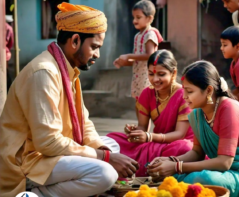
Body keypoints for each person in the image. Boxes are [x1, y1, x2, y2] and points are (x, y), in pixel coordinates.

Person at [0, 3, 139, 197]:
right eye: (94, 47)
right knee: (105, 173)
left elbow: (85, 123)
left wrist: (102, 150)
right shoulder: (44, 72)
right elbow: (47, 142)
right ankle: (34, 193)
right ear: (75, 41)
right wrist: (105, 158)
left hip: (51, 155)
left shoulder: (66, 69)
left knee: (113, 144)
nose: (97, 55)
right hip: (29, 163)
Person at [147, 60, 239, 197]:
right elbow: (197, 153)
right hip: (229, 172)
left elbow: (224, 163)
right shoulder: (197, 114)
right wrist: (170, 160)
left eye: (189, 91)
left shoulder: (229, 109)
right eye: (183, 90)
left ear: (209, 90)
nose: (184, 96)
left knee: (203, 180)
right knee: (172, 177)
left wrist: (177, 167)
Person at [108, 50, 194, 177]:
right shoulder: (147, 93)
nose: (155, 79)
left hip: (178, 143)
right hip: (156, 143)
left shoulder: (183, 94)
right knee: (112, 139)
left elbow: (180, 134)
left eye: (161, 74)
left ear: (174, 73)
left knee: (185, 148)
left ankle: (144, 166)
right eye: (150, 74)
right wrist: (136, 133)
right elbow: (143, 126)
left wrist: (149, 137)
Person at [113, 0, 163, 110]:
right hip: (138, 77)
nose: (134, 20)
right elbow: (138, 59)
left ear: (149, 18)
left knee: (146, 106)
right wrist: (124, 62)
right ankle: (141, 126)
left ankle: (144, 126)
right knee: (139, 104)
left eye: (138, 17)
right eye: (134, 17)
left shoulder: (150, 34)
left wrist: (129, 56)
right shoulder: (137, 36)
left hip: (147, 76)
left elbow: (150, 56)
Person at [5, 15, 14, 92]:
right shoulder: (9, 28)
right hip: (4, 54)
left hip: (4, 54)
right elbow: (11, 43)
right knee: (5, 72)